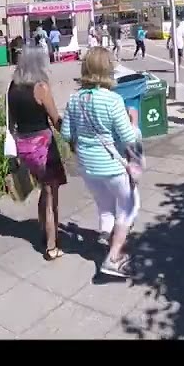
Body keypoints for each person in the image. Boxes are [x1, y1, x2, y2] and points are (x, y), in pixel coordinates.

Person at [60, 47, 142, 278]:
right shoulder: (113, 100)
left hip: (87, 166)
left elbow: (67, 134)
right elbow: (128, 138)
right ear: (108, 69)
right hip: (111, 165)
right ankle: (113, 257)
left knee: (104, 204)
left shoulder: (74, 99)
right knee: (129, 207)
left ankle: (106, 234)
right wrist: (133, 120)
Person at [7, 48, 69, 260]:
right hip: (43, 146)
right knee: (52, 195)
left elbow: (10, 123)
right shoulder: (41, 88)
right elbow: (55, 120)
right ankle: (52, 244)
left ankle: (44, 229)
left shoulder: (13, 88)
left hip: (23, 146)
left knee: (43, 190)